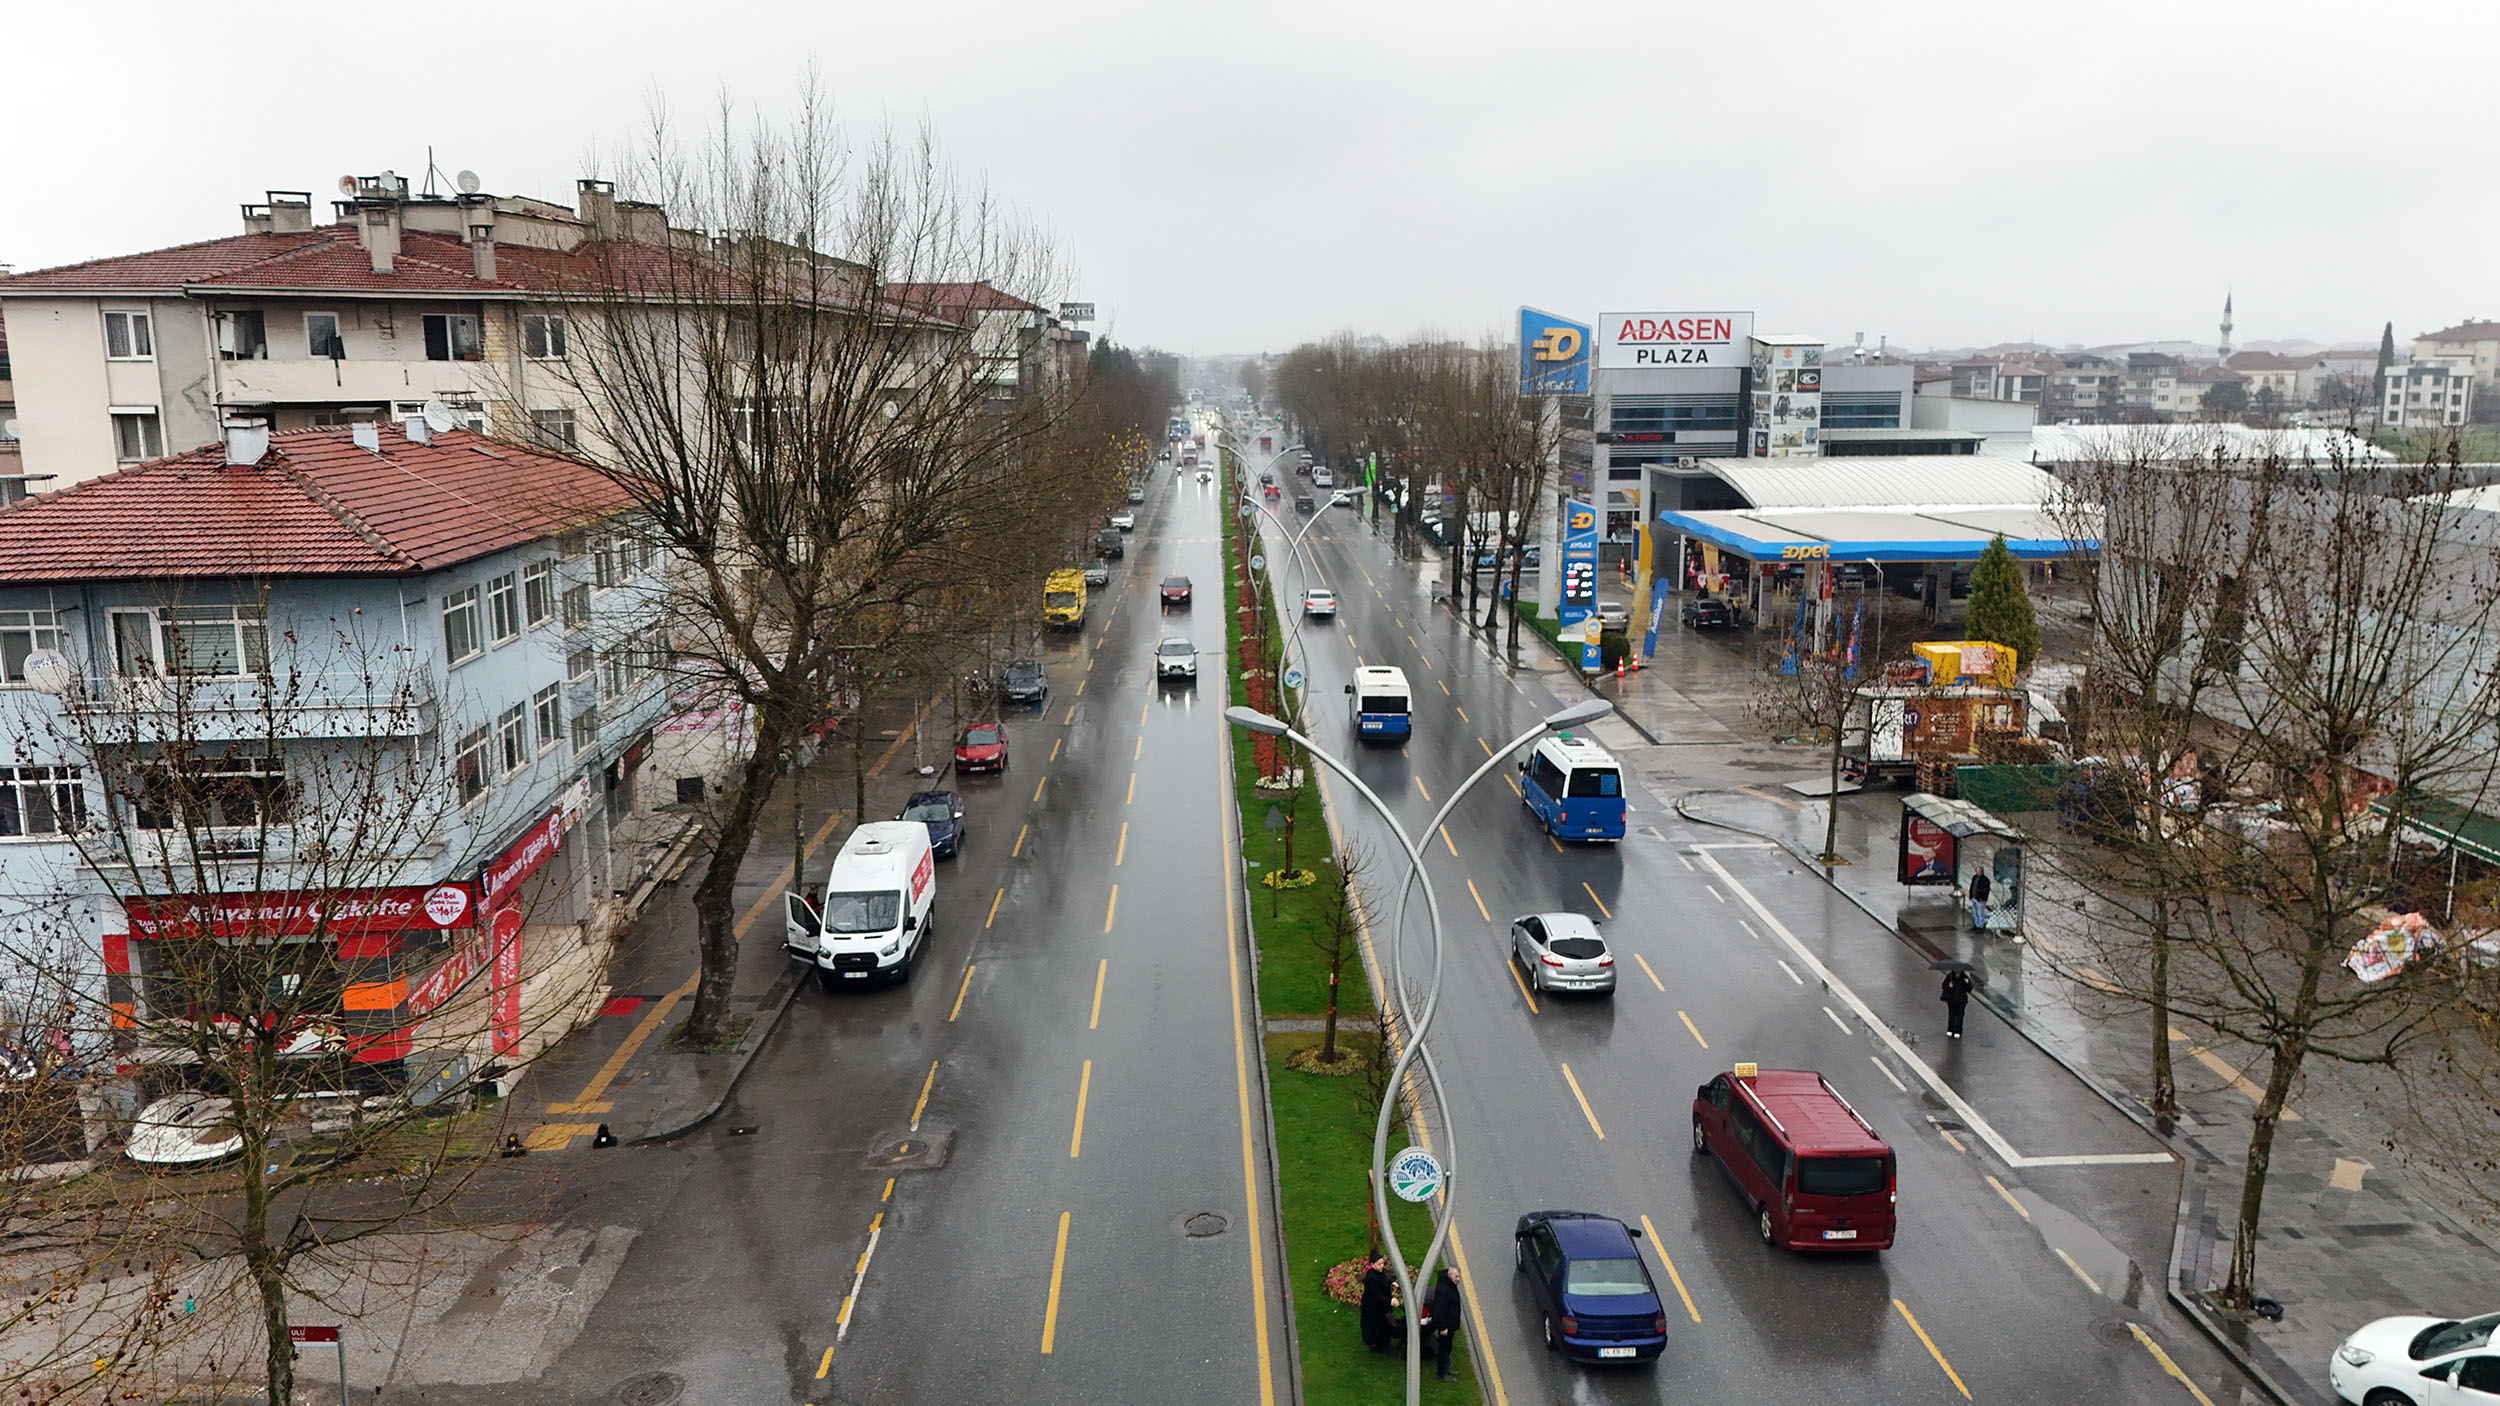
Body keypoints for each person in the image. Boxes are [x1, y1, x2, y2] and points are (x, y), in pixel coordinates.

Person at [1421, 1264, 1463, 1380]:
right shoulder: (1444, 1290)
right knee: (1444, 1348)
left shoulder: (1447, 1285)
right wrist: (1443, 1327)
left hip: (1450, 1324)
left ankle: (1445, 1369)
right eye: (1456, 1277)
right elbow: (1439, 1311)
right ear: (1449, 1275)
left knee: (1447, 1347)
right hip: (1446, 1325)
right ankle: (1442, 1373)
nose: (1458, 1279)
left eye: (1459, 1277)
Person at [1359, 1257, 1404, 1353]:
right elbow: (1376, 1295)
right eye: (1379, 1264)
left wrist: (1391, 1284)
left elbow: (1384, 1283)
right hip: (1373, 1310)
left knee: (1383, 1326)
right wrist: (1390, 1301)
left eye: (1382, 1263)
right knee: (1378, 1328)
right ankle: (1379, 1346)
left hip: (1380, 1309)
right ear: (1372, 1264)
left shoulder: (1379, 1273)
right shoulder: (1371, 1278)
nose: (1382, 1266)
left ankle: (1384, 1342)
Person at [1941, 968, 1975, 1039]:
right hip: (1951, 1000)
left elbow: (1969, 989)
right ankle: (1950, 1029)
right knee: (1952, 1015)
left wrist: (1967, 982)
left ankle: (1958, 1030)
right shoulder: (1950, 977)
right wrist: (1949, 986)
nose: (1957, 972)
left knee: (1960, 1016)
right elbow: (1944, 986)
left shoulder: (1964, 977)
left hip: (1961, 1001)